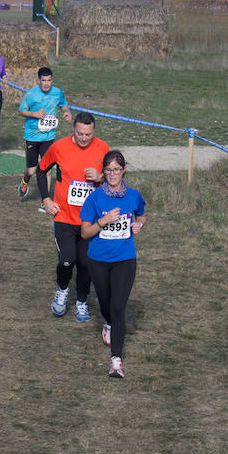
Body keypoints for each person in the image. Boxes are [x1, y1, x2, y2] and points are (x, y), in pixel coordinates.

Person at [35, 112, 109, 321]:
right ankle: (62, 289)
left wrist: (101, 177)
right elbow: (41, 171)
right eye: (79, 134)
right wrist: (46, 200)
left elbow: (116, 176)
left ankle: (82, 302)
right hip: (64, 216)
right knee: (67, 260)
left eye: (88, 134)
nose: (83, 138)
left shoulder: (102, 148)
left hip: (90, 220)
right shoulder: (59, 147)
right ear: (73, 130)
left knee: (86, 263)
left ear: (94, 132)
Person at [79, 150, 146, 378]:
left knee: (118, 307)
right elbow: (85, 232)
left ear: (124, 170)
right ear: (103, 172)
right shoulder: (95, 198)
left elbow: (142, 214)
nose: (113, 174)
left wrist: (139, 225)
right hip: (98, 260)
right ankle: (107, 322)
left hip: (125, 259)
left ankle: (116, 360)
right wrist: (103, 221)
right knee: (105, 303)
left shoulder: (133, 195)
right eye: (108, 170)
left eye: (117, 169)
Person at [17, 66, 71, 199]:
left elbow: (64, 105)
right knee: (32, 169)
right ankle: (25, 180)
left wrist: (67, 112)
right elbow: (21, 111)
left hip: (48, 136)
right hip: (32, 136)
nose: (46, 83)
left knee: (46, 169)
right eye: (44, 80)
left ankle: (44, 199)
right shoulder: (31, 95)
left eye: (49, 80)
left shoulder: (57, 93)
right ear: (38, 80)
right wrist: (34, 114)